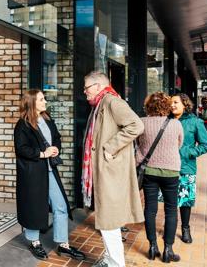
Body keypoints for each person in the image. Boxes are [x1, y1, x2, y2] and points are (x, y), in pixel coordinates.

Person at [14, 89, 85, 261]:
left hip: (49, 171)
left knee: (60, 206)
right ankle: (34, 242)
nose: (45, 101)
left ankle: (63, 244)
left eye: (43, 99)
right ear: (31, 103)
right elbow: (21, 149)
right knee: (34, 207)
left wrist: (55, 149)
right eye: (41, 99)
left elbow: (57, 138)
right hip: (33, 174)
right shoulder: (22, 124)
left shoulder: (47, 119)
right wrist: (43, 154)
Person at [82, 71, 144, 267]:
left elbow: (136, 125)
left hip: (110, 171)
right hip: (105, 171)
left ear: (98, 85)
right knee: (108, 219)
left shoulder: (112, 102)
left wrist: (110, 147)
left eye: (86, 88)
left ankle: (116, 263)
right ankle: (111, 259)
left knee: (109, 220)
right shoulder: (101, 103)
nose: (84, 92)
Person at [137, 92, 183, 263]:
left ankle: (152, 246)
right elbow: (179, 143)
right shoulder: (176, 124)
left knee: (150, 208)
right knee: (171, 210)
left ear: (148, 105)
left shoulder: (142, 122)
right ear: (166, 105)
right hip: (171, 171)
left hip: (150, 171)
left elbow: (139, 145)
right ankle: (168, 250)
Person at [170, 93, 207, 244]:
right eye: (171, 102)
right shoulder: (166, 120)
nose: (172, 105)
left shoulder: (195, 122)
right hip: (167, 166)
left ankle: (185, 228)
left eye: (176, 102)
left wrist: (187, 152)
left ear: (184, 104)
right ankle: (170, 229)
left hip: (186, 167)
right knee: (170, 201)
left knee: (185, 201)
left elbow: (206, 145)